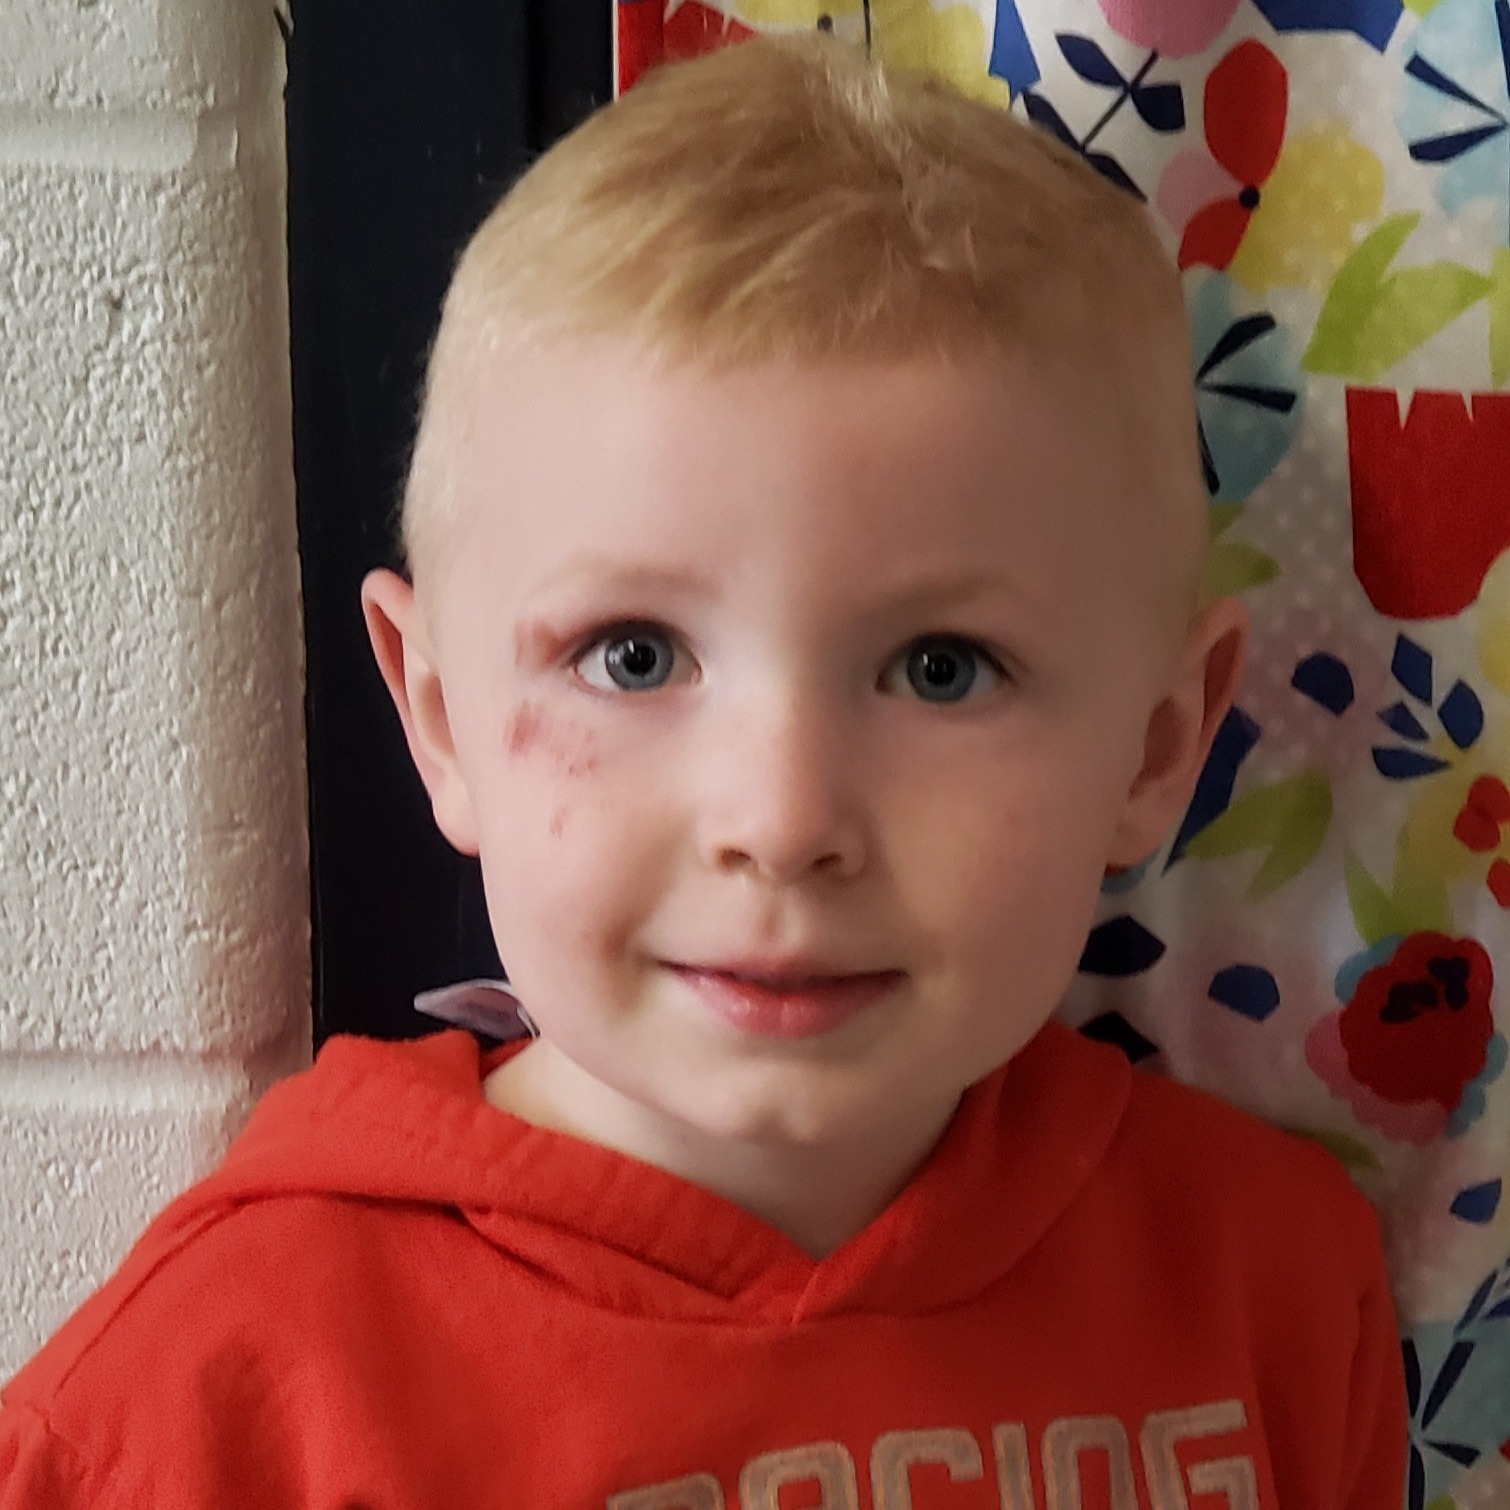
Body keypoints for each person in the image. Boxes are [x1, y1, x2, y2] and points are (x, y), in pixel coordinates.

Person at [0, 33, 1405, 1510]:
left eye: (941, 667)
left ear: (1160, 743)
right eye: (630, 655)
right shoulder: (220, 1399)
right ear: (436, 716)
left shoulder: (1277, 1285)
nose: (781, 822)